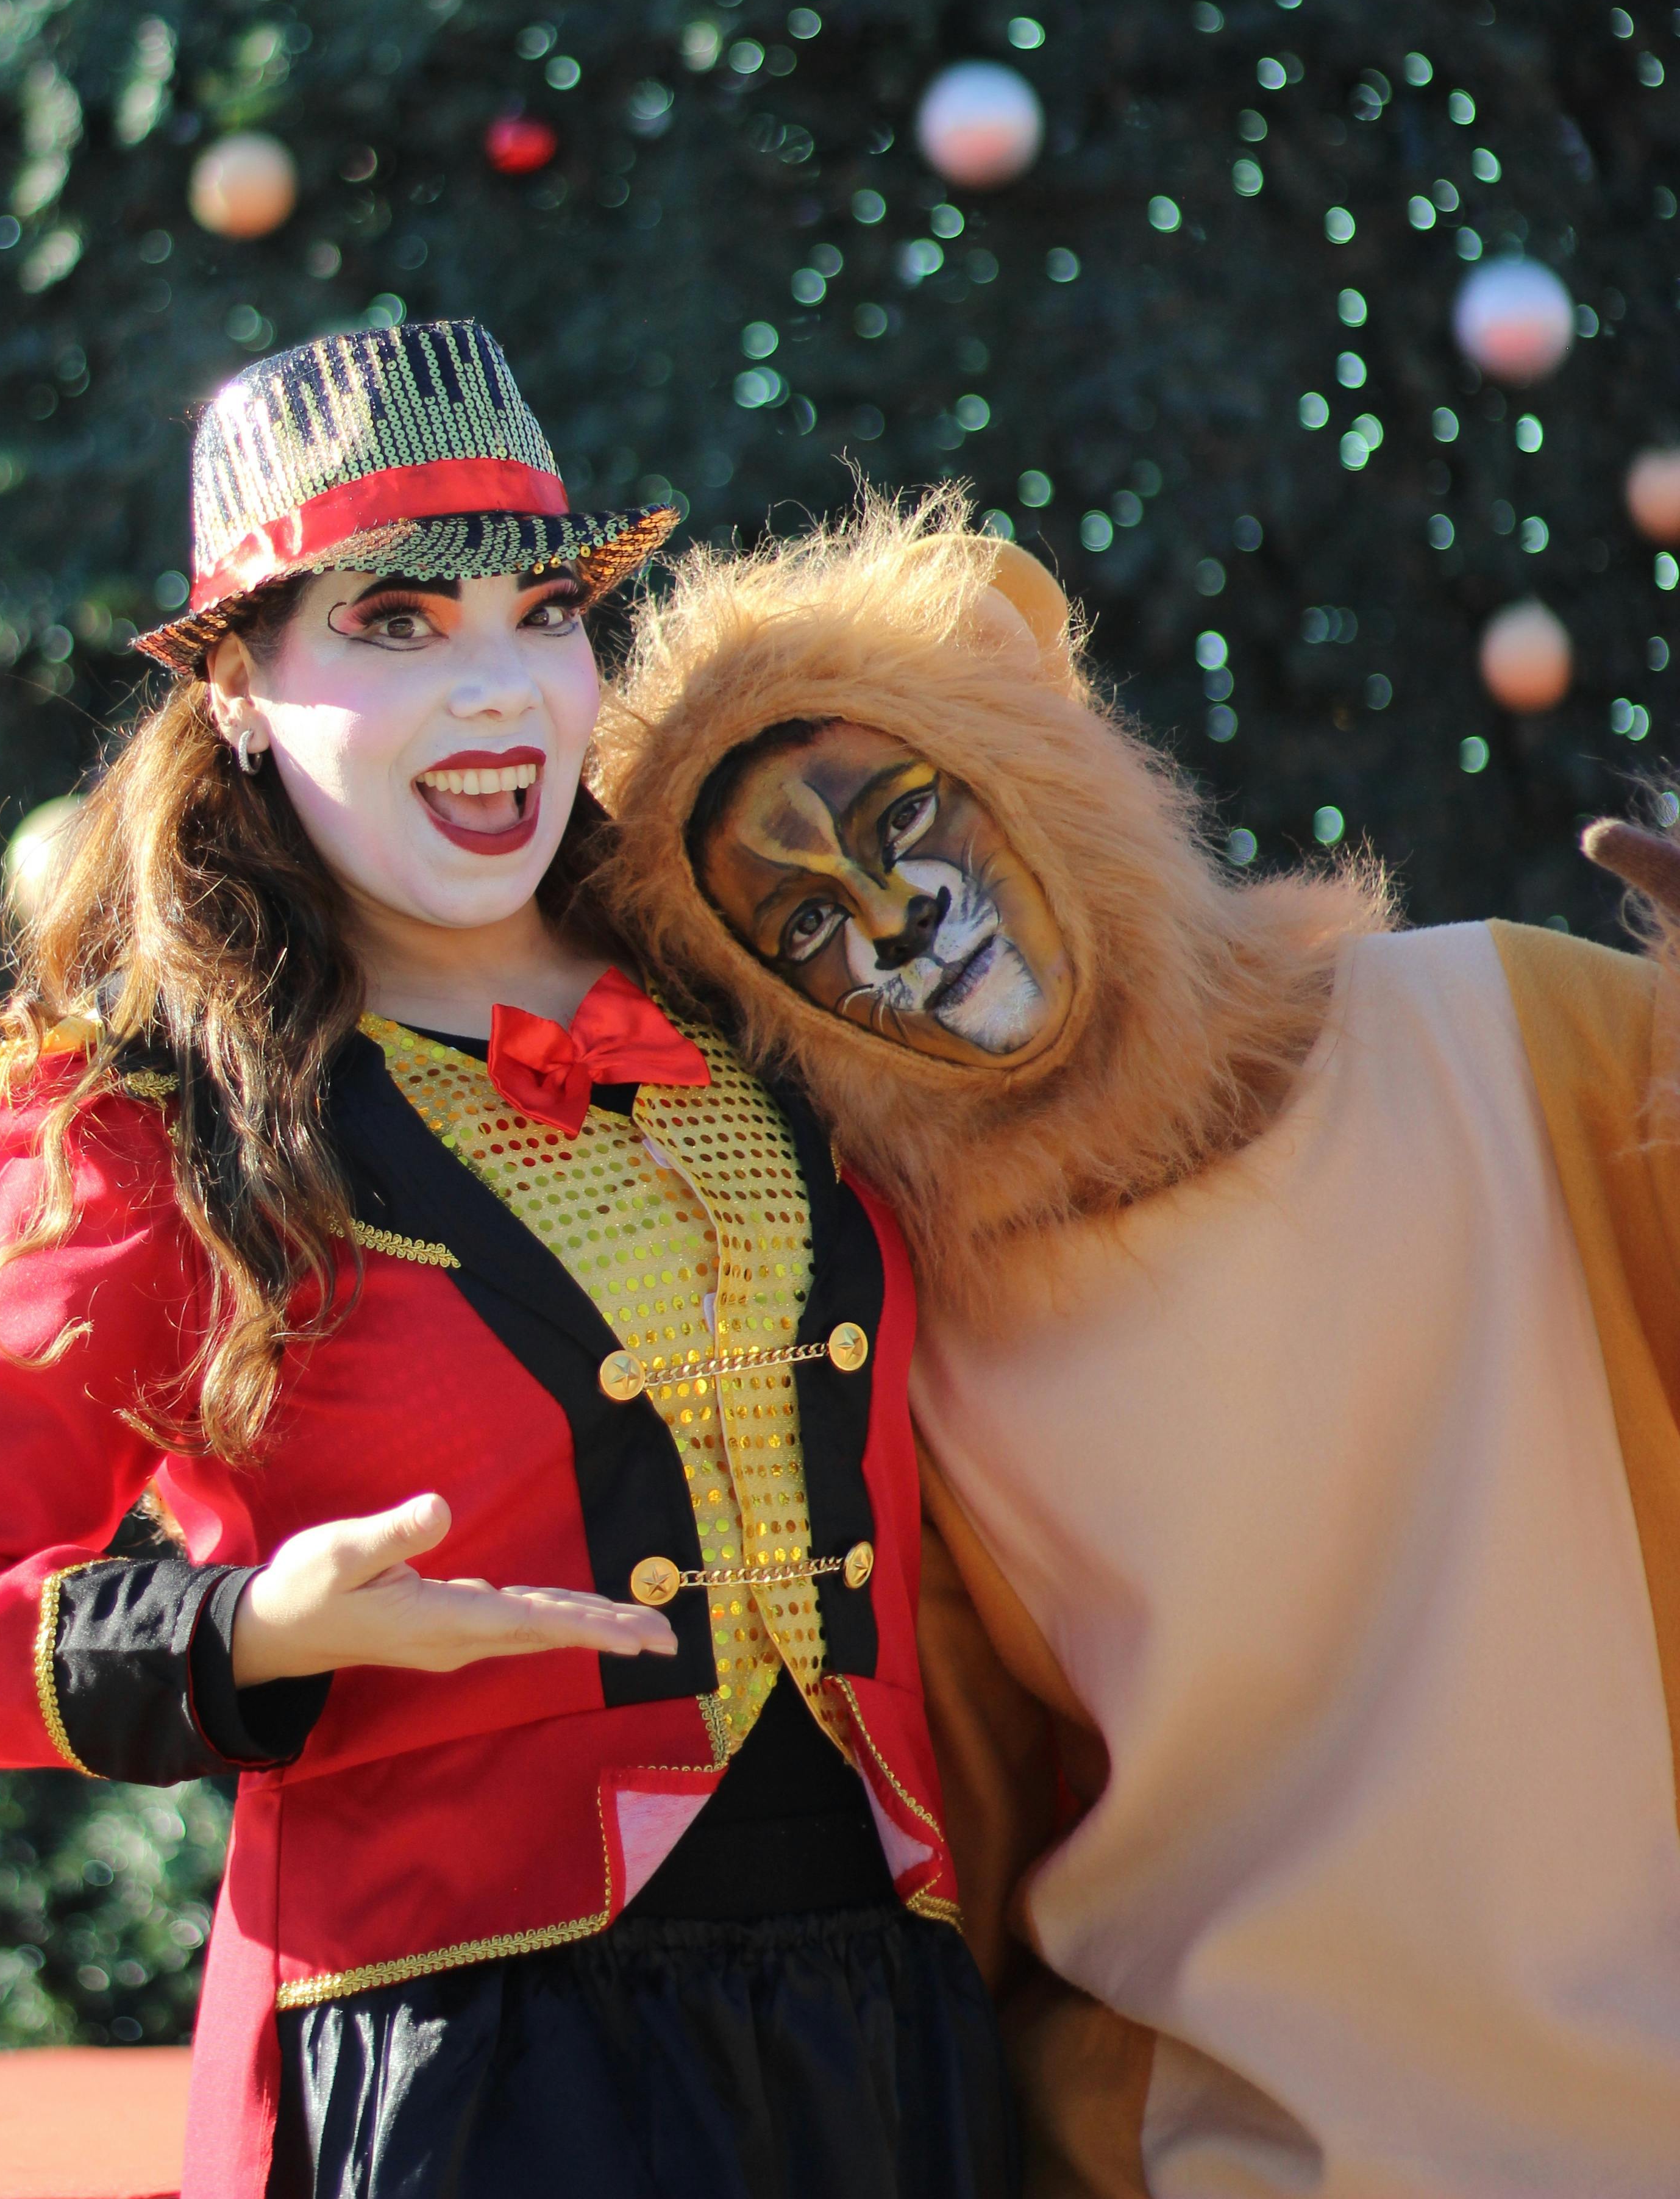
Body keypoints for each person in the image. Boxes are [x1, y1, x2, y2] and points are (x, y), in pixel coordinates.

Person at [0, 324, 1016, 2199]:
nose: (503, 690)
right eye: (394, 627)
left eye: (541, 614)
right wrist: (245, 1631)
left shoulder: (781, 1001)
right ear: (239, 689)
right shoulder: (149, 1125)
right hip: (465, 2079)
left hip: (884, 2036)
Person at [591, 493, 1680, 2199]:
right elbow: (943, 1857)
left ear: (1039, 760)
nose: (885, 918)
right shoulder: (910, 1351)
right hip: (1221, 2160)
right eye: (802, 927)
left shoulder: (1517, 1030)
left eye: (905, 815)